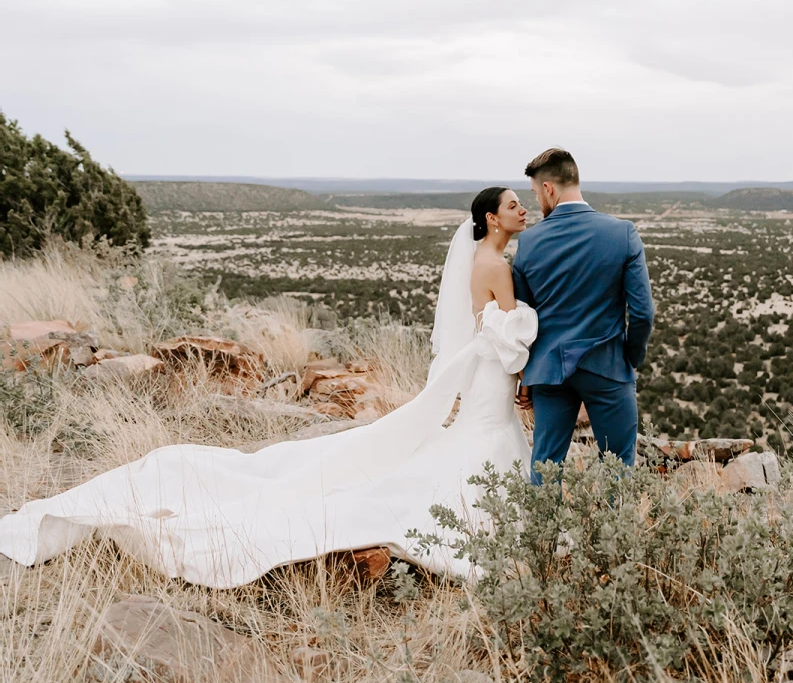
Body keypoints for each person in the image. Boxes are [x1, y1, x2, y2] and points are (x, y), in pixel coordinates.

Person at [0, 188, 534, 587]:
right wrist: (532, 321)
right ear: (491, 217)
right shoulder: (494, 264)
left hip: (487, 373)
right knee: (483, 438)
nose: (522, 209)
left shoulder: (486, 259)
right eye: (514, 204)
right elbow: (508, 332)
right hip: (494, 373)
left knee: (478, 437)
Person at [513, 148, 655, 485]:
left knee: (545, 468)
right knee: (617, 468)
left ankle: (542, 538)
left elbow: (523, 317)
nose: (537, 202)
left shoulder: (529, 241)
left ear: (549, 188)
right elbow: (643, 312)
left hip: (549, 371)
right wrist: (630, 358)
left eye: (535, 193)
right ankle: (612, 538)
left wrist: (528, 377)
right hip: (608, 364)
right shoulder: (622, 234)